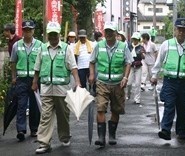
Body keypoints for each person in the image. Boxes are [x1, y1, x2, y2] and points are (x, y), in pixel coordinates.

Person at [32, 21, 81, 154]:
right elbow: (37, 67)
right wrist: (34, 82)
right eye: (50, 35)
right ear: (47, 35)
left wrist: (77, 82)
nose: (53, 37)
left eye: (55, 35)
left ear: (59, 34)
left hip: (62, 90)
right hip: (46, 89)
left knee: (63, 116)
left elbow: (73, 67)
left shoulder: (66, 48)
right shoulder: (42, 48)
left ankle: (64, 136)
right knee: (45, 116)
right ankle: (44, 142)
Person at [151, 18, 185, 141]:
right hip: (169, 81)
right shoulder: (166, 44)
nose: (181, 32)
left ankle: (181, 131)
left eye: (184, 30)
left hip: (184, 82)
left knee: (182, 107)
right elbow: (159, 61)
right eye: (179, 29)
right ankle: (165, 130)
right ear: (175, 30)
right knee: (169, 105)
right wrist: (154, 75)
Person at [89, 21, 133, 147]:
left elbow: (128, 62)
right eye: (106, 31)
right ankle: (101, 137)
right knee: (100, 108)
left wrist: (125, 77)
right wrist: (92, 74)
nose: (108, 34)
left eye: (111, 32)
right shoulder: (99, 45)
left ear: (115, 33)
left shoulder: (123, 46)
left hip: (118, 84)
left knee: (116, 110)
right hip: (102, 82)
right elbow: (92, 61)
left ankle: (112, 135)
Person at [10, 20, 42, 141]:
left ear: (33, 31)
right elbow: (13, 62)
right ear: (22, 31)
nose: (27, 32)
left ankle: (34, 129)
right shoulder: (16, 45)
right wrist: (13, 77)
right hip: (21, 80)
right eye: (25, 30)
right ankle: (21, 130)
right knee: (21, 105)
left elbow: (43, 62)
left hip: (35, 79)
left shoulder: (39, 45)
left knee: (34, 105)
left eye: (30, 30)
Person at [126, 32, 145, 105]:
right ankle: (128, 94)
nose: (135, 40)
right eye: (134, 39)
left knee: (137, 83)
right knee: (129, 83)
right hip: (130, 66)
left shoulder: (141, 47)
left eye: (136, 39)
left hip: (138, 67)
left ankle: (137, 99)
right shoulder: (129, 46)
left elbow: (144, 57)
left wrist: (142, 54)